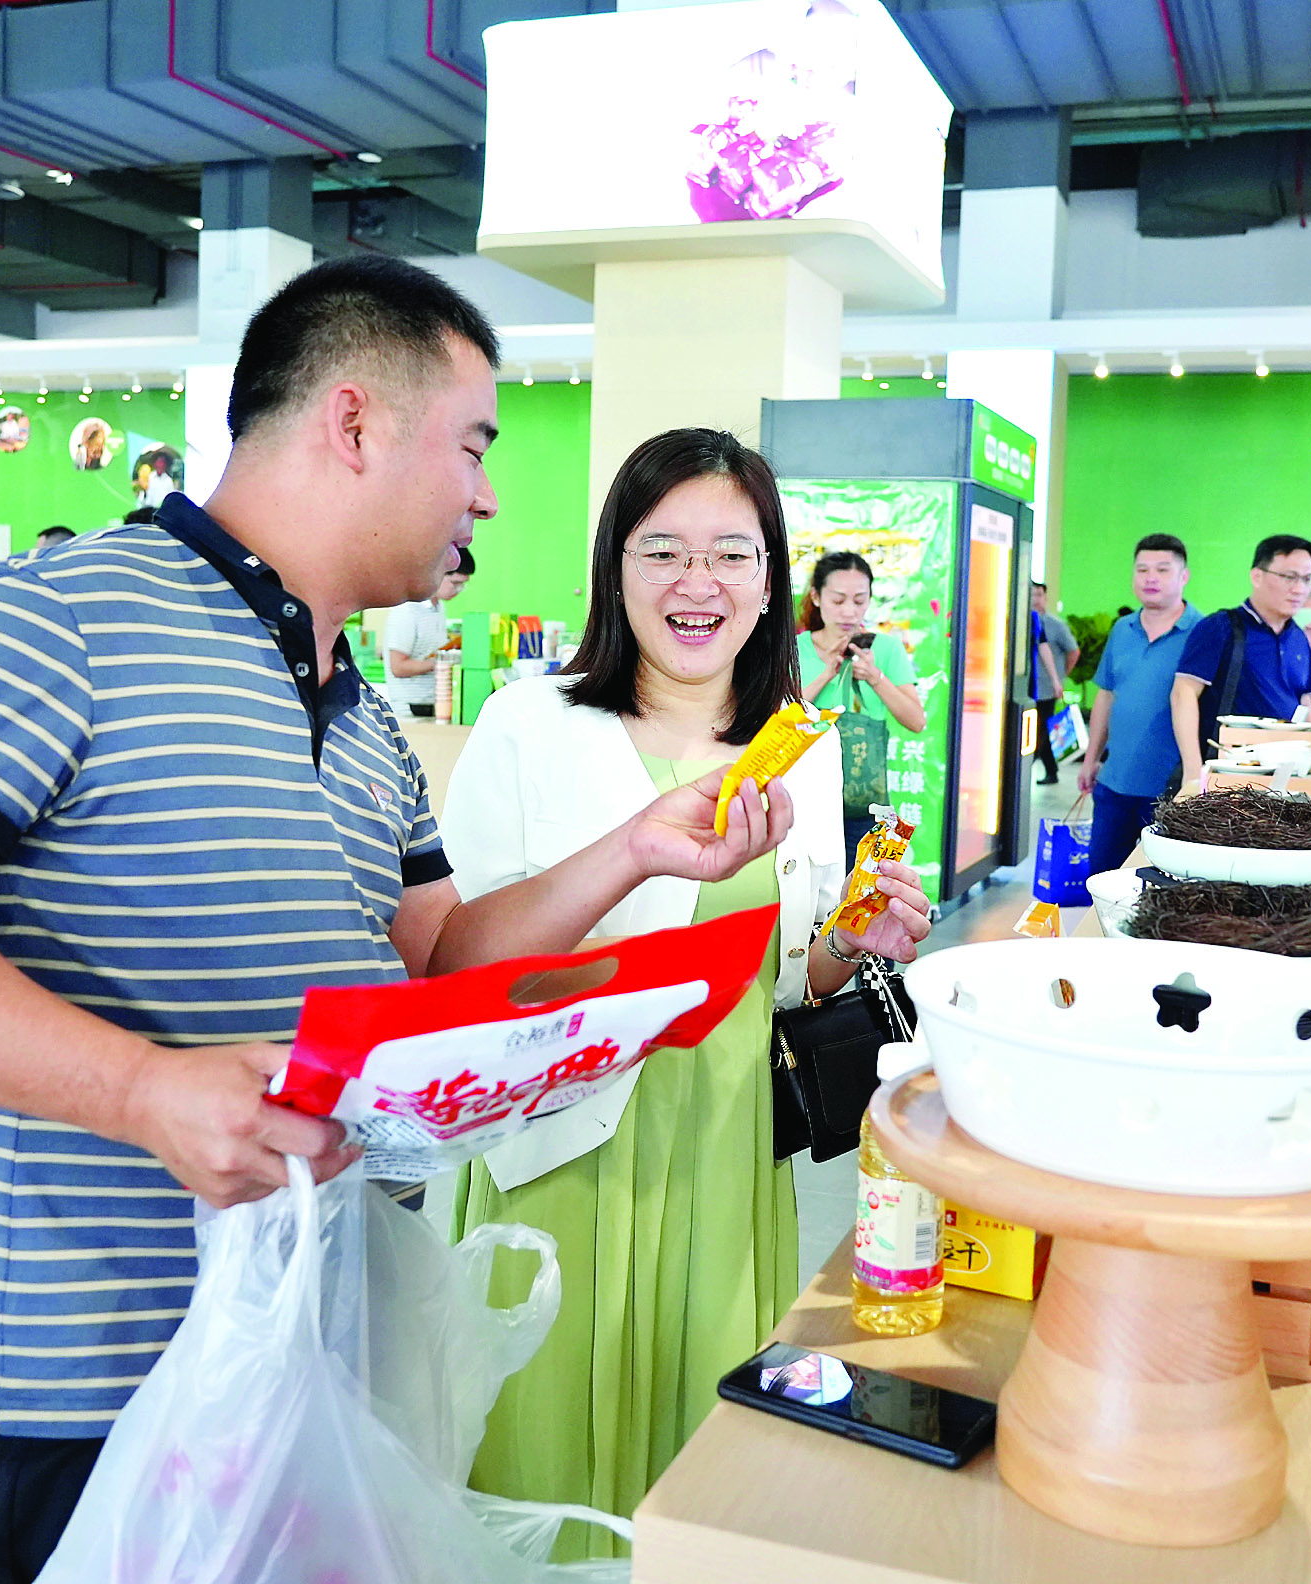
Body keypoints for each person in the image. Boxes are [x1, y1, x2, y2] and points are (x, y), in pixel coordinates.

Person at [0, 257, 797, 1584]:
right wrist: (142, 1090)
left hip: (323, 1376)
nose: (485, 494)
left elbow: (441, 960)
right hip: (99, 1407)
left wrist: (638, 851)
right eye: (473, 446)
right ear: (355, 423)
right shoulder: (61, 618)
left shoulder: (364, 718)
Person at [443, 428, 932, 1548]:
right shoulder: (531, 725)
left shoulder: (799, 744)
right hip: (558, 1150)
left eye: (730, 554)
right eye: (661, 551)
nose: (696, 583)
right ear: (614, 569)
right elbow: (455, 964)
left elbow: (785, 979)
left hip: (724, 1146)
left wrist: (855, 940)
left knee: (702, 1473)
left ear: (770, 582)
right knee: (537, 1462)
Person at [797, 550, 926, 866]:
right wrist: (826, 674)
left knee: (862, 887)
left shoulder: (886, 649)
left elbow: (916, 721)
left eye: (859, 600)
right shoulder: (794, 648)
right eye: (838, 600)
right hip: (802, 798)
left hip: (864, 803)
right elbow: (779, 721)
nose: (849, 611)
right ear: (816, 597)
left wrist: (874, 677)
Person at [1077, 533, 1197, 873]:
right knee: (1102, 878)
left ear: (1184, 576)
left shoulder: (1201, 631)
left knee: (1161, 884)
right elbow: (1106, 695)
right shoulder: (1122, 628)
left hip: (1170, 789)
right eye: (1142, 569)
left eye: (1162, 569)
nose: (1150, 578)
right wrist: (1090, 759)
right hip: (1115, 784)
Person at [1169, 533, 1311, 787]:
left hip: (1284, 778)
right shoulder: (1221, 627)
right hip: (1226, 776)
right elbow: (1183, 694)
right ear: (1257, 576)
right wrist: (1193, 772)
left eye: (1307, 579)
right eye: (1289, 577)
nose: (1299, 589)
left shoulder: (1299, 638)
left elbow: (1304, 702)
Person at [382, 544, 473, 719]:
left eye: (463, 585)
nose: (458, 590)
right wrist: (444, 662)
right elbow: (398, 667)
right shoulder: (407, 609)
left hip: (436, 701)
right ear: (437, 573)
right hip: (411, 708)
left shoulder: (439, 607)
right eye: (455, 583)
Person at [1029, 582, 1081, 785]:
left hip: (1046, 689)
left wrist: (1060, 678)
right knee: (1040, 731)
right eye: (1031, 595)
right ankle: (1050, 770)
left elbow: (1073, 651)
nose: (1035, 599)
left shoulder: (1055, 625)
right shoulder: (1024, 621)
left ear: (1046, 598)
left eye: (1038, 595)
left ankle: (1034, 770)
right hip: (1027, 687)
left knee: (1040, 731)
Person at [131, 444, 181, 509]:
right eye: (158, 462)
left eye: (162, 463)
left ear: (165, 465)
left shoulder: (168, 480)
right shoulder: (150, 477)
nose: (160, 465)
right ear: (155, 464)